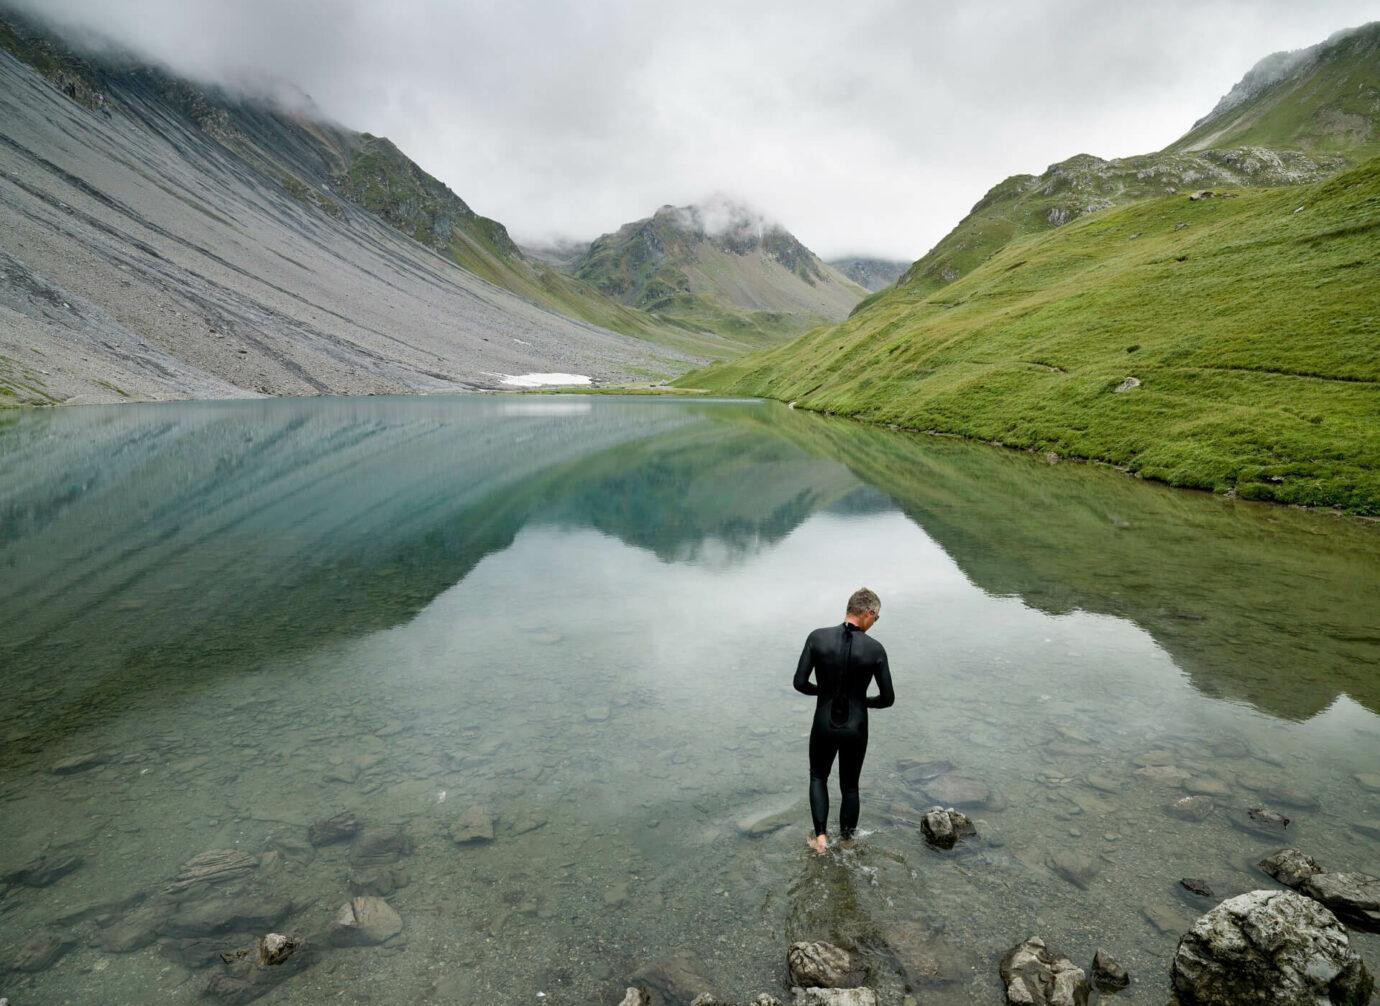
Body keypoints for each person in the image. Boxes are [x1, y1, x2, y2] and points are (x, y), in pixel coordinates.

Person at [793, 587, 894, 854]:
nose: (875, 622)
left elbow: (800, 683)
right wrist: (860, 701)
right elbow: (887, 698)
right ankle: (848, 842)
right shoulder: (875, 649)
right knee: (850, 786)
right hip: (856, 727)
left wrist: (826, 692)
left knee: (818, 777)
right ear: (868, 613)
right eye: (877, 617)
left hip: (824, 723)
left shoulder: (817, 638)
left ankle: (821, 841)